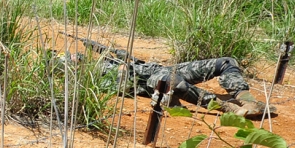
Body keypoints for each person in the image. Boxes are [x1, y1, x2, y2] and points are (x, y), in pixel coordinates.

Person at [78, 43, 272, 118]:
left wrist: (118, 54)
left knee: (226, 62)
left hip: (158, 69)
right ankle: (227, 108)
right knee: (172, 81)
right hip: (149, 82)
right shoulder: (89, 76)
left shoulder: (105, 58)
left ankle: (246, 98)